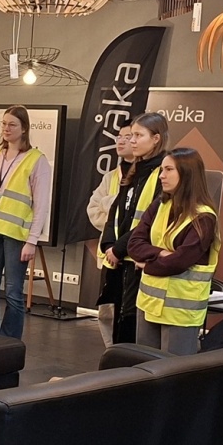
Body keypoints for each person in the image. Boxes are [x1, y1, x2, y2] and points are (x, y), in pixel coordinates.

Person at [128, 146, 219, 355]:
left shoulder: (204, 217)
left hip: (181, 313)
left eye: (168, 170)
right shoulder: (160, 205)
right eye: (162, 170)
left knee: (173, 370)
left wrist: (146, 264)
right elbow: (134, 244)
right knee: (143, 366)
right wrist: (161, 253)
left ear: (187, 174)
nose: (162, 176)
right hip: (149, 304)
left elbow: (179, 262)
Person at [0, 105, 52, 338]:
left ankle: (9, 342)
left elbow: (41, 205)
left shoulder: (36, 160)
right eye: (4, 124)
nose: (6, 129)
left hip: (17, 232)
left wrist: (32, 241)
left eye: (12, 125)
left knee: (13, 291)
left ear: (24, 128)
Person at [98, 114, 168, 345]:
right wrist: (109, 244)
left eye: (138, 135)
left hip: (138, 259)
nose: (132, 141)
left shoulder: (161, 173)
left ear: (156, 138)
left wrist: (119, 248)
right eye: (131, 136)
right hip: (120, 259)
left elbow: (148, 219)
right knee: (117, 318)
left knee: (131, 321)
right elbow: (117, 210)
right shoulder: (133, 169)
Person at [87, 125, 136, 346]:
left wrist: (111, 205)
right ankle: (110, 351)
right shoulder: (111, 177)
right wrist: (116, 207)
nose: (121, 141)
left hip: (133, 254)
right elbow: (93, 211)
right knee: (107, 311)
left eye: (129, 136)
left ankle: (126, 352)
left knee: (129, 313)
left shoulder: (149, 176)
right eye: (119, 136)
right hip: (109, 253)